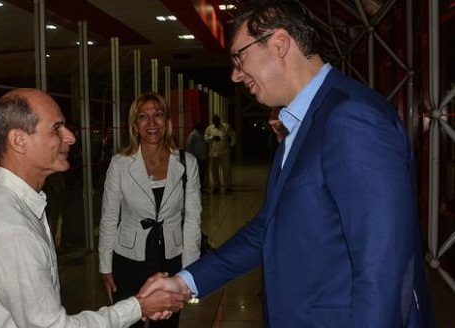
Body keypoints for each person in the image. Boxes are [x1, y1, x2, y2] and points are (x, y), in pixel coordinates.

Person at [139, 1, 435, 327]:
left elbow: (383, 272)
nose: (235, 75)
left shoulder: (350, 120)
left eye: (240, 57)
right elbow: (267, 228)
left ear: (279, 43)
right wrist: (185, 282)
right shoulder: (303, 123)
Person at [0, 88, 185, 327]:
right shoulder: (10, 230)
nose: (70, 137)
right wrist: (139, 306)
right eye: (56, 128)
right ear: (19, 140)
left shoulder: (17, 205)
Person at [98, 92, 202, 328]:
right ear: (135, 124)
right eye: (143, 117)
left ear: (167, 121)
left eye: (158, 115)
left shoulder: (187, 163)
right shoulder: (120, 164)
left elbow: (193, 220)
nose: (152, 123)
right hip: (129, 258)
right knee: (128, 322)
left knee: (167, 323)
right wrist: (105, 266)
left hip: (171, 256)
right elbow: (109, 218)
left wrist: (190, 271)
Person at [204, 114, 235, 193]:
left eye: (217, 120)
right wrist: (212, 138)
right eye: (214, 121)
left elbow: (233, 136)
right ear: (212, 121)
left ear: (219, 120)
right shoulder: (209, 129)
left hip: (225, 153)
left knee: (226, 170)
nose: (216, 122)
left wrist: (231, 146)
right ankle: (216, 186)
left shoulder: (226, 127)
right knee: (214, 171)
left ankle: (227, 186)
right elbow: (205, 138)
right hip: (213, 153)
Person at [186, 121, 207, 190]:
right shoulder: (193, 134)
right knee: (199, 173)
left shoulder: (201, 134)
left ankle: (202, 186)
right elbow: (189, 145)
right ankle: (199, 186)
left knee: (203, 172)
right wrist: (193, 156)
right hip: (197, 157)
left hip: (202, 156)